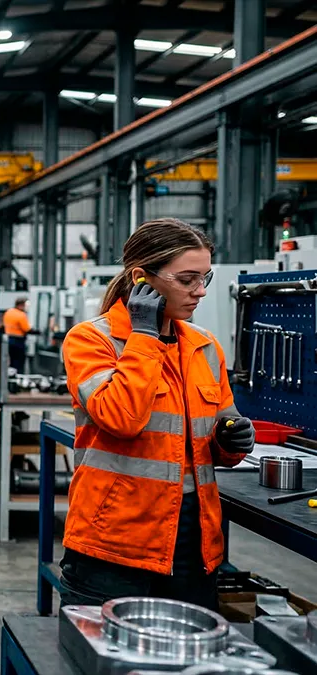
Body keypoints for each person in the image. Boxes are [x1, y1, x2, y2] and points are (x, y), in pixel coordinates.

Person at [59, 218, 255, 611]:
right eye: (187, 279)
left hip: (192, 543)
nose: (200, 292)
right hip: (113, 544)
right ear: (142, 280)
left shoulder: (204, 346)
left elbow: (216, 437)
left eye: (205, 278)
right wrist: (145, 337)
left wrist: (231, 441)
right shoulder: (91, 341)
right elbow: (122, 417)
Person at [2, 298, 31, 373]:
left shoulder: (8, 312)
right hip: (19, 341)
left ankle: (12, 376)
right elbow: (27, 329)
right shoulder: (21, 315)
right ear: (21, 305)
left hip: (9, 339)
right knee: (19, 362)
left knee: (12, 361)